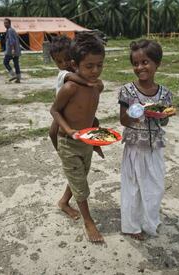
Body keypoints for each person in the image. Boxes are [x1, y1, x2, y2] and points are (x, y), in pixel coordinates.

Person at [50, 32, 105, 243]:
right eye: (89, 66)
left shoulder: (95, 87)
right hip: (69, 141)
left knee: (78, 177)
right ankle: (89, 222)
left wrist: (96, 142)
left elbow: (90, 116)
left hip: (86, 141)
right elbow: (54, 111)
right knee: (80, 183)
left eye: (99, 65)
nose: (95, 71)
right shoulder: (70, 86)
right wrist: (68, 130)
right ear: (76, 65)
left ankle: (64, 202)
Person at [118, 39, 173, 240]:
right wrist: (138, 110)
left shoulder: (165, 94)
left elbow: (164, 123)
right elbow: (123, 120)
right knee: (132, 187)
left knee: (154, 187)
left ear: (157, 63)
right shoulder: (127, 91)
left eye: (145, 62)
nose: (140, 67)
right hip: (134, 147)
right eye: (135, 63)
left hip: (154, 147)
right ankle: (131, 226)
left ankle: (149, 221)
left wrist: (163, 116)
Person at [48, 35, 103, 155]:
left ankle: (96, 145)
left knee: (95, 123)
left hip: (78, 110)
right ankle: (61, 152)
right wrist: (89, 83)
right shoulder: (63, 74)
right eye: (59, 61)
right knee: (53, 132)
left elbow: (97, 88)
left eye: (67, 59)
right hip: (63, 111)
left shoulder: (81, 69)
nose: (64, 64)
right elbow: (74, 78)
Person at [3, 18, 21, 83]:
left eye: (6, 23)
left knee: (5, 62)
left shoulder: (10, 30)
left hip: (11, 51)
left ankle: (13, 75)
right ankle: (18, 78)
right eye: (4, 23)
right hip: (16, 50)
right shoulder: (12, 30)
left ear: (9, 23)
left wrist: (13, 49)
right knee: (16, 64)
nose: (5, 24)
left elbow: (12, 41)